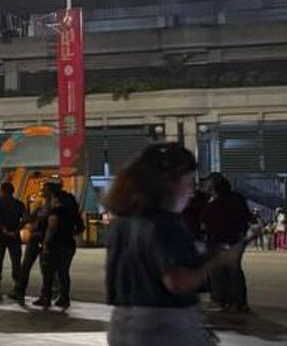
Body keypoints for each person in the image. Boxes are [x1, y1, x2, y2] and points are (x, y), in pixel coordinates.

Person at [104, 142, 237, 345]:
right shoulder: (165, 224)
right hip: (164, 326)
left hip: (122, 324)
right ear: (167, 184)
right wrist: (216, 260)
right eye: (188, 181)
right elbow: (177, 281)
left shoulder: (122, 222)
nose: (192, 191)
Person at [197, 173, 251, 314]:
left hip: (218, 240)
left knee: (217, 271)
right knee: (234, 270)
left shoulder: (214, 203)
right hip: (235, 240)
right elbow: (246, 216)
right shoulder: (237, 198)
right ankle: (238, 302)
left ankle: (221, 300)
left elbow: (204, 221)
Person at [34, 187, 80, 310]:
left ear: (57, 199)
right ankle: (64, 298)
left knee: (48, 272)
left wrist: (45, 243)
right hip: (69, 245)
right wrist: (68, 234)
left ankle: (46, 298)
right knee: (64, 273)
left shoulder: (55, 212)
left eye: (53, 198)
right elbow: (80, 228)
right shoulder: (71, 212)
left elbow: (51, 228)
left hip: (55, 246)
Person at [9, 184, 54, 304]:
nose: (41, 191)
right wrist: (28, 206)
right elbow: (27, 219)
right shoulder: (41, 207)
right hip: (37, 239)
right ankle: (22, 291)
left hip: (44, 240)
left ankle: (43, 295)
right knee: (30, 267)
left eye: (44, 189)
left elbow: (28, 220)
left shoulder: (51, 209)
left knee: (43, 268)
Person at [0, 182, 25, 296]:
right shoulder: (19, 204)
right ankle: (17, 284)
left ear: (2, 191)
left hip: (0, 236)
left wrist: (3, 228)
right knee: (16, 261)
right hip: (14, 236)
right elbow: (26, 218)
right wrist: (16, 230)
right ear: (13, 191)